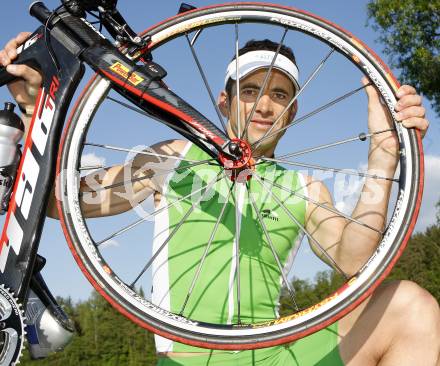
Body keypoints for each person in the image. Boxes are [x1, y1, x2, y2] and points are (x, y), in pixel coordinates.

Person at [1, 32, 439, 365]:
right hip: (187, 357)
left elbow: (354, 262)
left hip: (273, 353)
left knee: (410, 306)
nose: (264, 105)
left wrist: (384, 150)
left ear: (293, 112)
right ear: (224, 100)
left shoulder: (307, 189)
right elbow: (65, 202)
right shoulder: (172, 160)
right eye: (250, 91)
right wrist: (36, 106)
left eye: (279, 95)